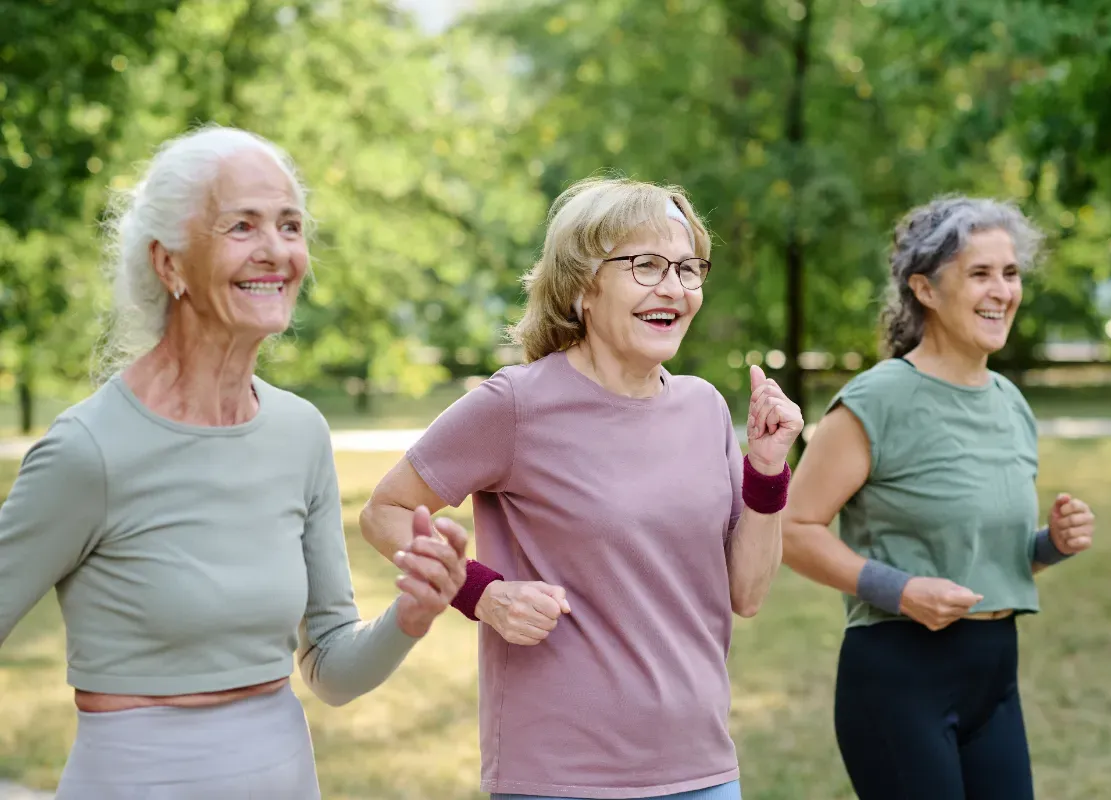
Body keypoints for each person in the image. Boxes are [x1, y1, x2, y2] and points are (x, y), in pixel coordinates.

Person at [0, 125, 468, 799]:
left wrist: (412, 616)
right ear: (169, 264)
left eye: (289, 224)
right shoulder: (88, 450)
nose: (276, 250)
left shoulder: (300, 433)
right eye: (242, 226)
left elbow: (332, 668)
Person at [360, 177, 803, 800]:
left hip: (702, 768)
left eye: (687, 268)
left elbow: (748, 593)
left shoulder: (704, 408)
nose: (674, 287)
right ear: (583, 285)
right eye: (646, 265)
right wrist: (481, 595)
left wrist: (765, 469)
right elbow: (386, 509)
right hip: (559, 775)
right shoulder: (515, 404)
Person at [780, 195, 1097, 800]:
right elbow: (794, 530)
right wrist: (900, 591)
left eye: (1010, 273)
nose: (1002, 290)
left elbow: (980, 554)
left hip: (995, 677)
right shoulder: (876, 401)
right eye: (980, 273)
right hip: (900, 680)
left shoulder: (1011, 402)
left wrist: (1050, 546)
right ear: (924, 289)